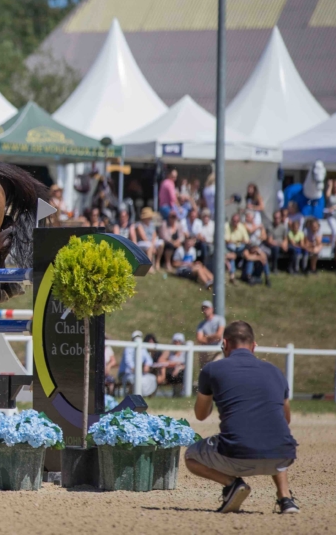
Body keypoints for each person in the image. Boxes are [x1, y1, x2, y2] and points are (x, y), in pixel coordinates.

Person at [185, 321, 298, 514]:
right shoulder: (275, 372)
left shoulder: (212, 370)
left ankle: (232, 484)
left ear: (225, 344)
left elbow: (201, 415)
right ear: (254, 346)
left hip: (237, 455)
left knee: (190, 456)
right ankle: (286, 499)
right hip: (282, 457)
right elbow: (285, 419)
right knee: (273, 431)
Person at [118, 330, 156, 395]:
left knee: (152, 378)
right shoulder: (128, 348)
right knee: (136, 380)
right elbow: (129, 363)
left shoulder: (142, 348)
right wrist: (136, 370)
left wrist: (147, 365)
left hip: (139, 373)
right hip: (126, 373)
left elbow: (149, 360)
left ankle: (145, 395)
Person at [129, 207, 162, 273]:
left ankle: (157, 262)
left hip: (150, 243)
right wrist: (152, 246)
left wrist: (153, 245)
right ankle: (149, 266)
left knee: (161, 243)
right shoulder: (139, 225)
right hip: (142, 242)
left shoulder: (152, 224)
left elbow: (154, 235)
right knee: (149, 245)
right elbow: (143, 237)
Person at [196, 300, 225, 368]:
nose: (205, 310)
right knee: (204, 371)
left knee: (215, 369)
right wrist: (213, 338)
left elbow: (219, 335)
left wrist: (206, 338)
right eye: (203, 309)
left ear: (212, 309)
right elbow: (199, 339)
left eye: (207, 308)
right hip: (205, 352)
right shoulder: (201, 324)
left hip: (216, 350)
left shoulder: (219, 319)